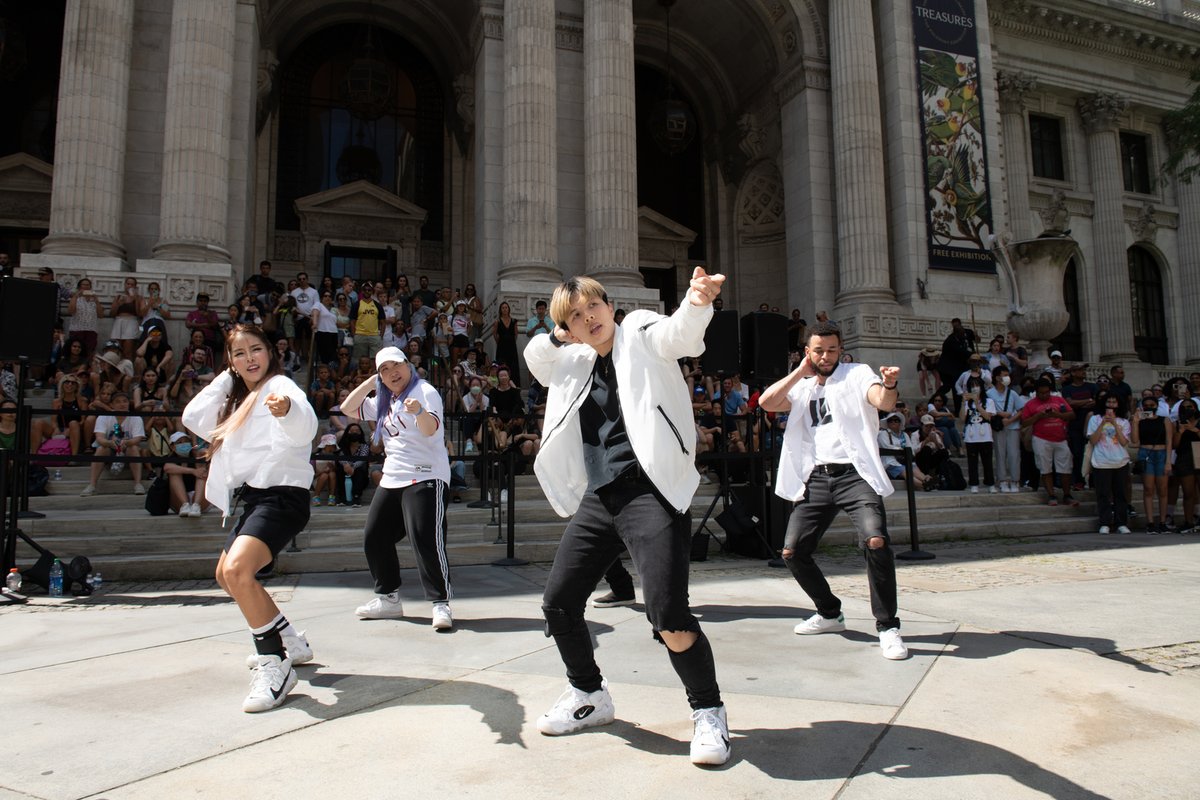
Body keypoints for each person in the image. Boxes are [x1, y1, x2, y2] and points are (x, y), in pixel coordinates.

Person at [524, 269, 731, 767]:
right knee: (558, 606)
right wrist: (560, 332)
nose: (588, 318)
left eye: (592, 306)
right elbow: (535, 358)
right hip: (599, 497)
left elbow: (680, 335)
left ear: (608, 305)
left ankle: (708, 712)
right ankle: (589, 695)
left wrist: (697, 301)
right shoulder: (571, 361)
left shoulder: (638, 330)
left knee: (668, 616)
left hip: (650, 493)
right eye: (575, 315)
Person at [181, 323, 319, 712]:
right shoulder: (240, 396)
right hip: (254, 498)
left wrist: (288, 410)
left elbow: (306, 426)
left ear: (270, 352)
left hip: (283, 495)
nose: (249, 359)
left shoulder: (281, 387)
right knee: (226, 575)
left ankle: (275, 662)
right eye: (239, 354)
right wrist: (229, 376)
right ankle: (289, 638)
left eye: (255, 350)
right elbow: (193, 417)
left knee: (240, 572)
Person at [759, 321, 908, 662]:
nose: (826, 356)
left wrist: (889, 383)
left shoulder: (856, 374)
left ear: (841, 349)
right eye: (819, 350)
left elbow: (881, 401)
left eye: (832, 349)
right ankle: (829, 613)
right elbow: (768, 403)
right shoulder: (802, 386)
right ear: (808, 352)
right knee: (792, 552)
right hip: (816, 478)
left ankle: (887, 626)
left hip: (855, 475)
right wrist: (800, 371)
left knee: (876, 540)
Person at [342, 346, 455, 630]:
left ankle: (440, 603)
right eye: (384, 370)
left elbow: (431, 430)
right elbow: (346, 408)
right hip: (393, 476)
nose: (392, 373)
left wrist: (418, 412)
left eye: (396, 366)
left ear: (408, 365)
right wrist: (371, 382)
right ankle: (388, 599)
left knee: (425, 537)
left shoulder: (425, 391)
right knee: (375, 535)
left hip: (426, 474)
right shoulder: (382, 399)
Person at [1020, 378, 1078, 507]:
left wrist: (1058, 415)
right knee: (1045, 468)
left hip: (1061, 438)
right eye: (1041, 393)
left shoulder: (1059, 400)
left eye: (1047, 392)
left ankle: (1067, 495)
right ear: (1036, 392)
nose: (1044, 395)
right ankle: (1051, 495)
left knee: (1066, 468)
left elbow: (1072, 415)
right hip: (1041, 439)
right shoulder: (1030, 404)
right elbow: (1024, 423)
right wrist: (1038, 416)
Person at [80, 392, 147, 497]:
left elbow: (137, 439)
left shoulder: (136, 418)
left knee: (133, 448)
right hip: (110, 447)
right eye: (118, 402)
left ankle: (138, 484)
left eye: (125, 401)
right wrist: (109, 443)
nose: (122, 404)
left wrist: (127, 442)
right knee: (101, 449)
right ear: (112, 405)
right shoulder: (104, 417)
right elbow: (99, 438)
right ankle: (92, 485)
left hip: (127, 447)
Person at [1087, 391, 1131, 535]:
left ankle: (1121, 523)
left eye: (1114, 402)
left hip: (1120, 462)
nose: (1111, 405)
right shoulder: (1095, 419)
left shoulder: (1124, 421)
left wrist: (1114, 424)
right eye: (1109, 402)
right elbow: (1093, 440)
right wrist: (1103, 423)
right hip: (1101, 461)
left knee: (1121, 494)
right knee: (1103, 494)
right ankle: (1105, 523)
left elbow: (1124, 442)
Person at [1132, 393, 1174, 533]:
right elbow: (1135, 440)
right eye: (1146, 405)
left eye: (1152, 405)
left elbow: (1169, 441)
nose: (1149, 408)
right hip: (1146, 453)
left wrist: (1168, 461)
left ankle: (1162, 521)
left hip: (1161, 454)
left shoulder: (1165, 420)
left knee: (1163, 489)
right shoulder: (1141, 420)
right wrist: (1135, 422)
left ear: (1157, 406)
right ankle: (1150, 522)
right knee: (1148, 489)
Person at [987, 366, 1025, 493]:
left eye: (1007, 374)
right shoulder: (989, 393)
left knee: (1014, 455)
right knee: (1000, 454)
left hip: (1013, 427)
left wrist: (1010, 420)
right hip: (998, 428)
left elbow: (1021, 410)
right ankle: (1002, 480)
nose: (1007, 377)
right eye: (1004, 375)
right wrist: (1000, 413)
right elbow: (987, 411)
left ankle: (1015, 481)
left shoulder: (1013, 393)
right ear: (997, 377)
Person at [163, 431, 209, 517]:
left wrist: (201, 452)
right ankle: (185, 505)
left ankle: (196, 505)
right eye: (179, 442)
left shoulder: (195, 455)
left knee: (201, 472)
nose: (183, 444)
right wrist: (192, 471)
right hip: (178, 501)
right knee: (174, 473)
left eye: (186, 441)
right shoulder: (171, 459)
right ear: (172, 447)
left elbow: (204, 455)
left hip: (200, 497)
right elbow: (167, 467)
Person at [492, 301, 521, 385]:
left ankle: (514, 385)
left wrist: (511, 341)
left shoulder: (514, 321)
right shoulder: (497, 321)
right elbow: (494, 334)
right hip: (501, 346)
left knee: (513, 366)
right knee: (502, 365)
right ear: (500, 310)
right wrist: (500, 342)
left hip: (512, 346)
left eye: (506, 307)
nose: (505, 309)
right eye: (503, 308)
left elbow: (516, 334)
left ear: (509, 309)